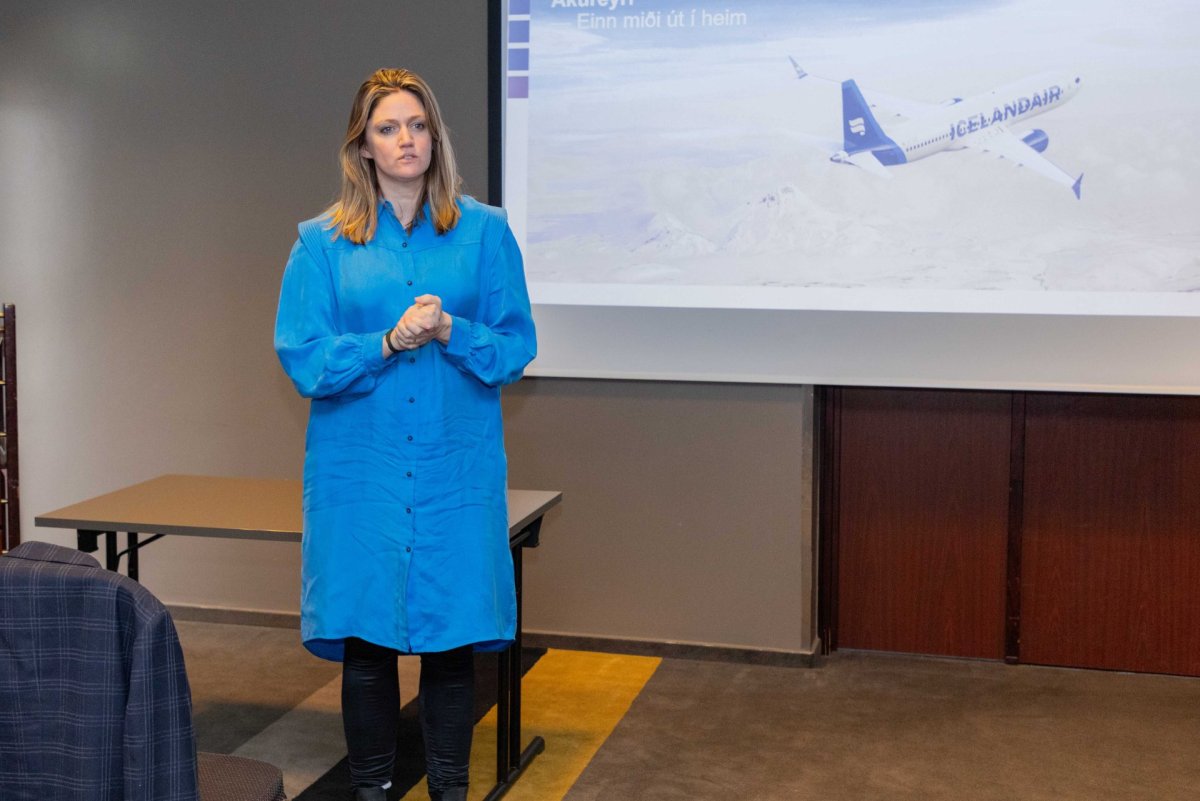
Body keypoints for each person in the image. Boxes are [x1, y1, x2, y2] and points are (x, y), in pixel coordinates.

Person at [274, 67, 536, 801]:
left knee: (452, 647)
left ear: (435, 137)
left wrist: (452, 329)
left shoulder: (485, 233)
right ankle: (372, 790)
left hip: (455, 473)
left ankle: (450, 790)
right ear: (363, 146)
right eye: (388, 128)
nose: (406, 140)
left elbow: (515, 347)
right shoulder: (321, 244)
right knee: (368, 647)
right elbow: (304, 357)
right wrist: (385, 343)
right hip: (362, 475)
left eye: (418, 125)